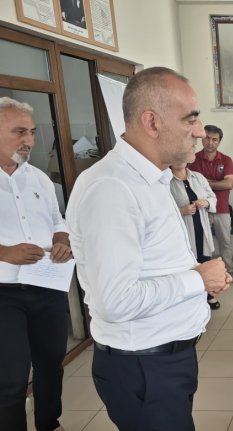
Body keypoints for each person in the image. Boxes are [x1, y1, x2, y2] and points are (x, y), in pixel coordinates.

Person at [65, 67, 232, 431]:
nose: (201, 131)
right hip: (144, 367)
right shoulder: (112, 188)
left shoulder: (152, 178)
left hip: (165, 360)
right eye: (190, 119)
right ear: (152, 122)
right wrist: (197, 280)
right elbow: (115, 300)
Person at [0, 97, 72, 431]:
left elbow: (58, 220)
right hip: (4, 294)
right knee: (11, 375)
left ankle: (49, 423)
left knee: (50, 363)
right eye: (19, 132)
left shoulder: (40, 179)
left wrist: (62, 240)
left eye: (31, 132)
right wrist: (4, 253)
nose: (29, 140)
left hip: (47, 284)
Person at [189, 124, 233, 283]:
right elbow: (193, 185)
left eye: (214, 139)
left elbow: (228, 184)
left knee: (225, 243)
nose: (210, 142)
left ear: (219, 142)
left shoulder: (226, 160)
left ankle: (230, 271)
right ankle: (202, 274)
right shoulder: (193, 159)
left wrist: (204, 183)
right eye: (207, 138)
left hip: (221, 209)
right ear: (202, 138)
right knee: (201, 241)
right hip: (200, 209)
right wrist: (216, 183)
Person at [170, 161, 220, 309]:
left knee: (204, 261)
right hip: (183, 229)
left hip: (201, 226)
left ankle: (210, 295)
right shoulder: (166, 181)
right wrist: (181, 211)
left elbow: (212, 196)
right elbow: (162, 209)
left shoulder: (197, 177)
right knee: (189, 264)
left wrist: (206, 202)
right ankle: (193, 298)